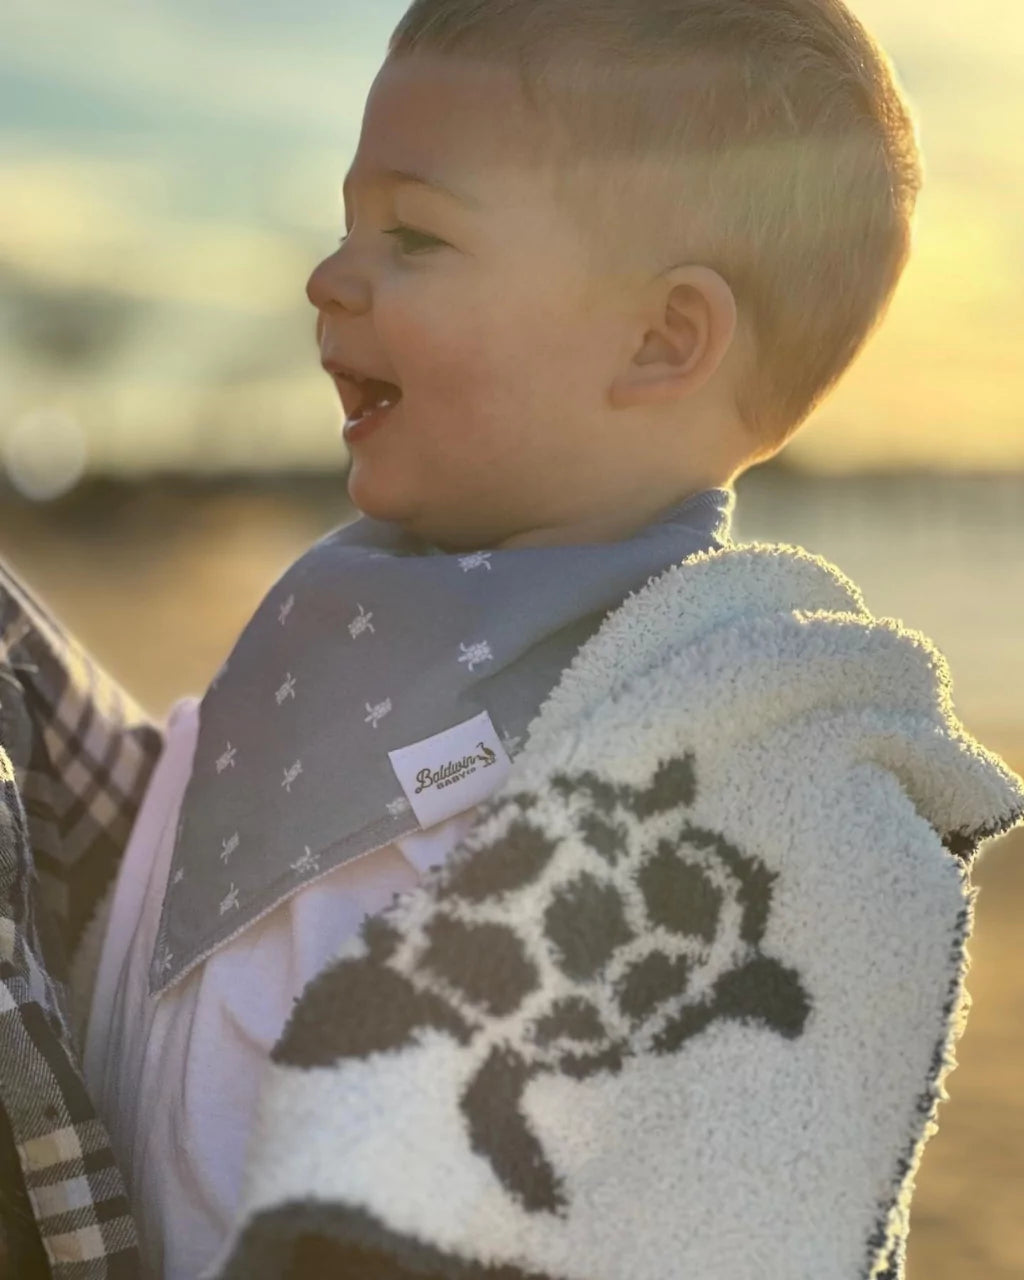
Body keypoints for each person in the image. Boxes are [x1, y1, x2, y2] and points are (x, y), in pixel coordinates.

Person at [0, 2, 1021, 1278]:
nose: (327, 277)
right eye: (347, 223)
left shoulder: (695, 749)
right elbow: (191, 854)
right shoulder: (358, 603)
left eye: (415, 234)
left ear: (661, 340)